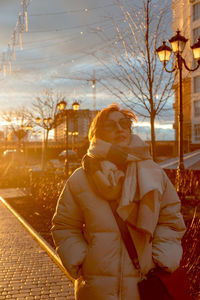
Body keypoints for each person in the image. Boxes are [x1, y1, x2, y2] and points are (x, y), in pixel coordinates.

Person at [51, 103, 186, 300]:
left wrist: (160, 257)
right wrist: (81, 260)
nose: (120, 129)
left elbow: (171, 222)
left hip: (142, 286)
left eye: (124, 123)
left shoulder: (154, 174)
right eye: (111, 125)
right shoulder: (81, 178)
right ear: (97, 133)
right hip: (97, 289)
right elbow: (64, 226)